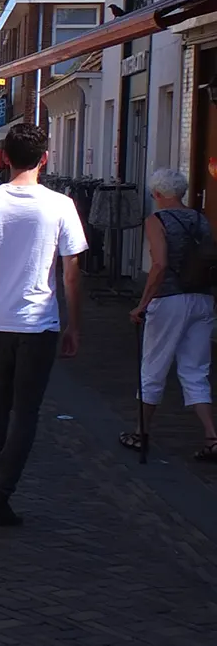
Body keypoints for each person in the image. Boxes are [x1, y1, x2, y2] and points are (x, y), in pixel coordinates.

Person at [0, 124, 86, 527]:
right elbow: (72, 274)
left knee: (0, 398)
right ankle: (1, 495)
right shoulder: (61, 206)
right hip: (38, 322)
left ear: (4, 157)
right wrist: (75, 325)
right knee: (26, 411)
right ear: (44, 158)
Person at [121, 168, 217, 462]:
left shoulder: (157, 220)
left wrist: (142, 303)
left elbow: (160, 264)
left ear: (157, 194)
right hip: (202, 298)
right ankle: (212, 437)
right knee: (195, 370)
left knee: (153, 366)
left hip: (170, 299)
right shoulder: (202, 220)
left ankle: (141, 432)